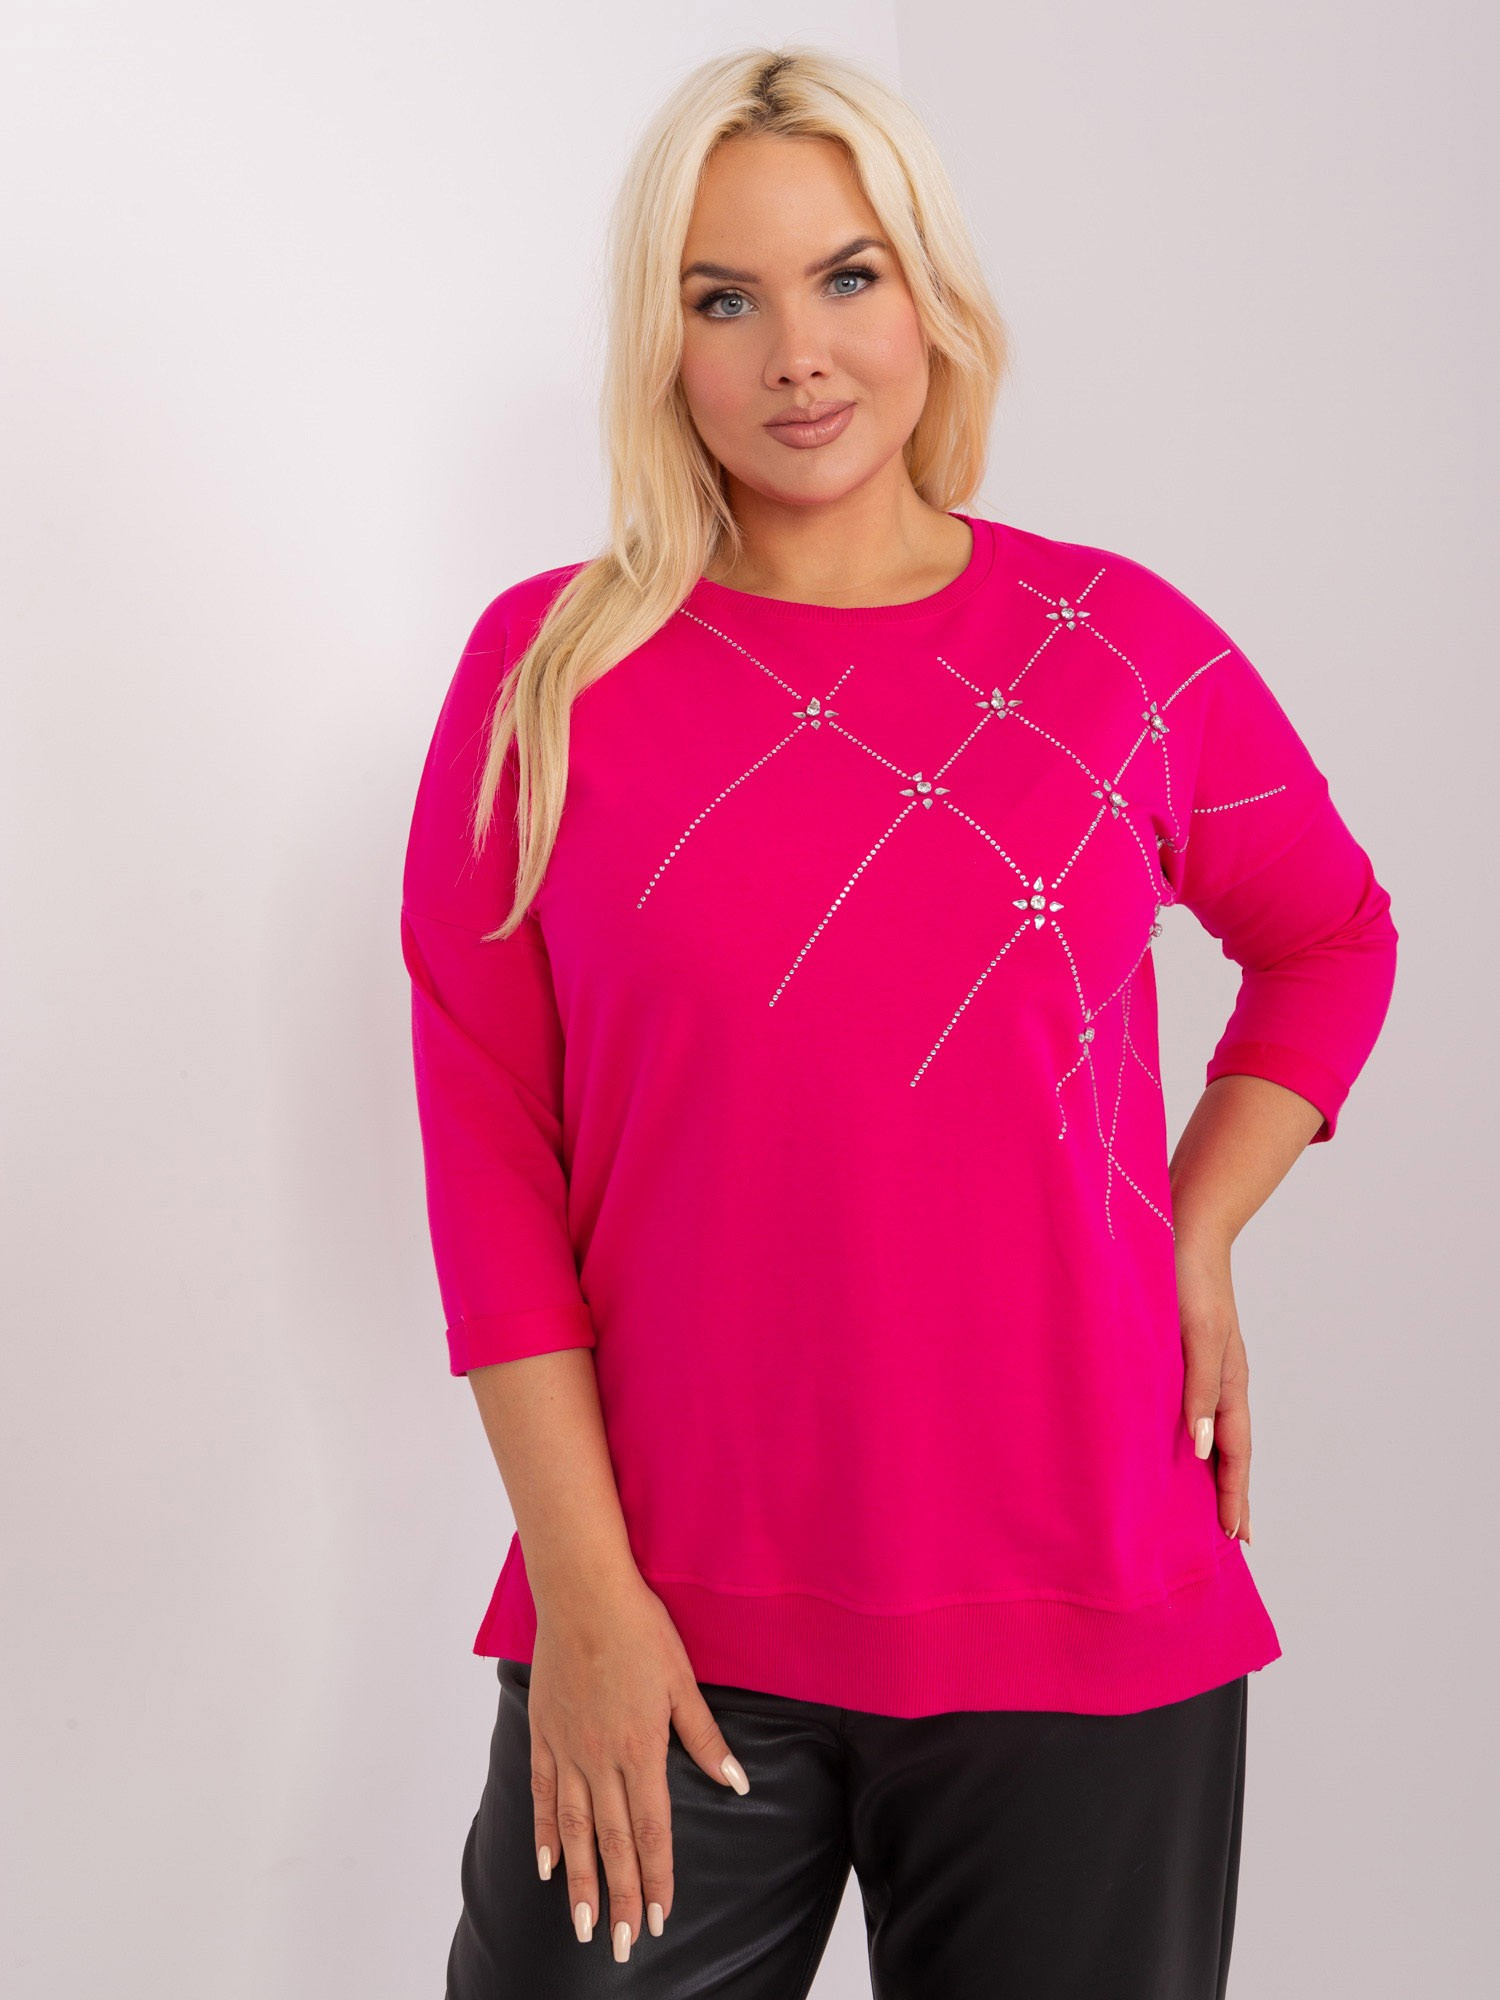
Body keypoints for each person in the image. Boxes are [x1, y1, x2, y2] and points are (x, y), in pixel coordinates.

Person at [399, 44, 1399, 1999]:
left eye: (848, 277)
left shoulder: (1119, 654)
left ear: (931, 294)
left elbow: (1331, 937)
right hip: (662, 1615)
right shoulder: (545, 675)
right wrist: (583, 1598)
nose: (799, 354)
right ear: (662, 343)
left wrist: (1196, 1226)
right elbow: (491, 1164)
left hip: (1088, 1602)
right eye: (724, 298)